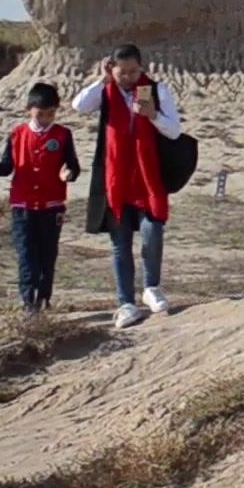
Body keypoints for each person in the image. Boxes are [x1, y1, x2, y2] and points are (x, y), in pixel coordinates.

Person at [73, 43, 182, 329]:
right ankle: (125, 303)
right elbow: (79, 106)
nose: (129, 77)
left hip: (147, 179)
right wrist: (102, 81)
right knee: (119, 244)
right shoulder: (105, 93)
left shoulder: (157, 91)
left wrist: (153, 116)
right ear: (112, 68)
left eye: (134, 71)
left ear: (141, 68)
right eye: (123, 72)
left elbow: (174, 131)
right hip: (115, 180)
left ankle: (151, 287)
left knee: (152, 231)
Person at [0, 82, 81, 312]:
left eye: (51, 114)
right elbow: (5, 168)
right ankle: (28, 303)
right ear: (29, 109)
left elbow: (74, 166)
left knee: (48, 255)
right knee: (26, 256)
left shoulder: (63, 134)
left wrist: (69, 174)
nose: (45, 119)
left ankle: (44, 299)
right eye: (40, 114)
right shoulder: (17, 134)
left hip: (52, 207)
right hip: (23, 207)